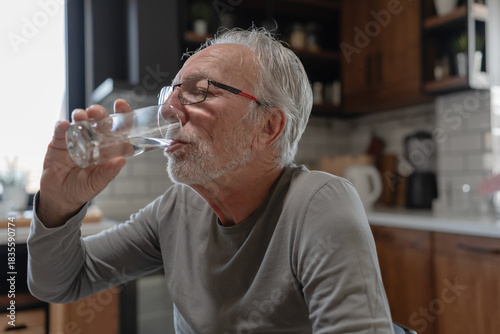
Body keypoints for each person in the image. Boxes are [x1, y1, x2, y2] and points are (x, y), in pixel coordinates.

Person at [27, 27, 394, 333]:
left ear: (267, 127)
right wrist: (58, 205)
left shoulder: (318, 204)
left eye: (199, 90)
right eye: (170, 93)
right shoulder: (178, 209)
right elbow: (57, 283)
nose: (168, 109)